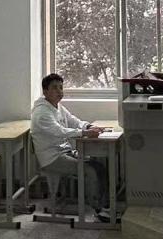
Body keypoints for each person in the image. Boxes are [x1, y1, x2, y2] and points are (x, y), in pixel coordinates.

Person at [30, 73, 112, 222]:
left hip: (64, 151)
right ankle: (98, 210)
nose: (59, 91)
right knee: (91, 170)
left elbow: (73, 120)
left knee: (99, 166)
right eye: (54, 88)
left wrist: (88, 126)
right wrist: (84, 133)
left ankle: (105, 206)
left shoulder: (57, 106)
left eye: (61, 87)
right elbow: (60, 131)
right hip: (52, 158)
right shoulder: (42, 113)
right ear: (45, 91)